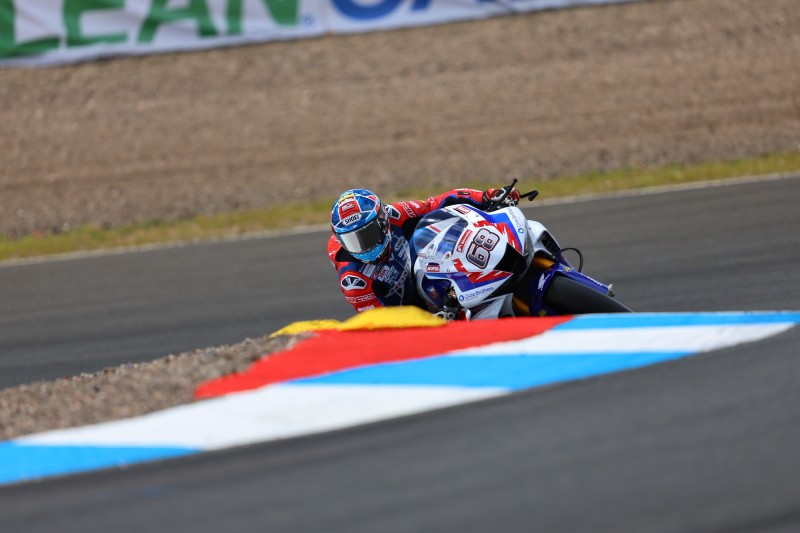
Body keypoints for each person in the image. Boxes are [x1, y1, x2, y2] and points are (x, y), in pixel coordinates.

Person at [328, 186, 521, 313]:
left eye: (367, 236)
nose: (363, 247)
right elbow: (382, 326)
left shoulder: (395, 214)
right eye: (352, 241)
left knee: (442, 233)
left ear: (382, 221)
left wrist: (486, 196)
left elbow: (435, 204)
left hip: (420, 272)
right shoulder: (354, 282)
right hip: (405, 313)